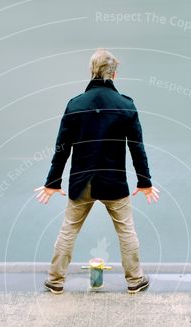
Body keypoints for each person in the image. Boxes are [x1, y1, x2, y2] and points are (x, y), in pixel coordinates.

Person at [35, 48, 159, 294]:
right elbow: (137, 148)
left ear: (91, 70)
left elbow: (62, 148)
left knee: (69, 230)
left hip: (82, 181)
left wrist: (53, 182)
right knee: (126, 231)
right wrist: (144, 182)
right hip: (113, 182)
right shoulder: (125, 105)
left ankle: (55, 281)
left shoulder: (75, 105)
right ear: (114, 72)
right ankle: (135, 281)